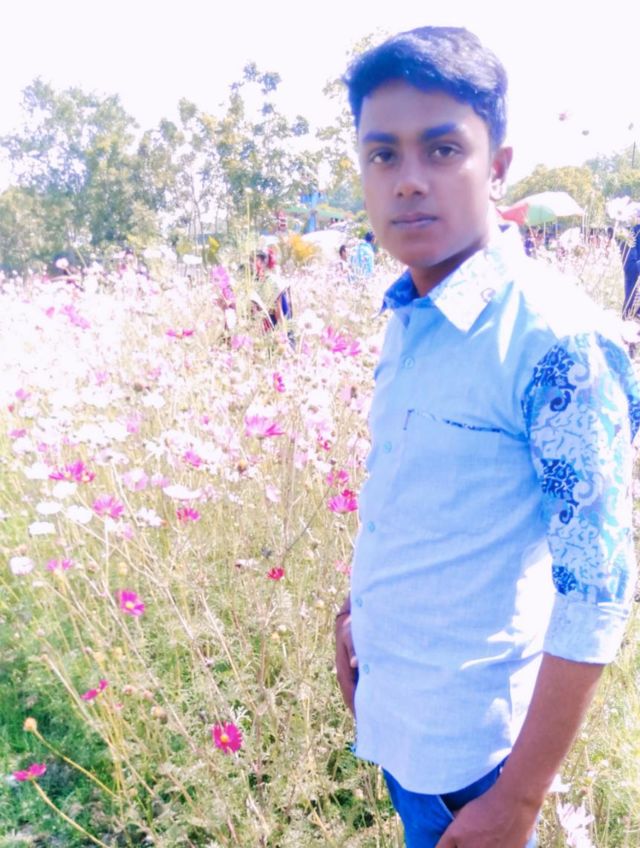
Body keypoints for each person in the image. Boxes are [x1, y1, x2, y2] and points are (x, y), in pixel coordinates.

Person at [334, 26, 640, 848]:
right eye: (383, 155)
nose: (408, 180)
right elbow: (428, 502)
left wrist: (518, 800)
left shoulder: (557, 343)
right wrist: (357, 620)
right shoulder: (412, 311)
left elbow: (598, 590)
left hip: (477, 766)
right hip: (404, 719)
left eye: (442, 150)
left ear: (497, 166)